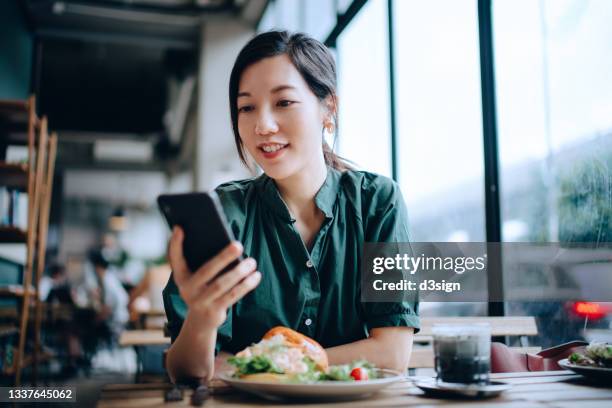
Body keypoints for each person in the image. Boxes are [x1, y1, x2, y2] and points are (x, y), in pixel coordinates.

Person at [163, 30, 419, 383]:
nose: (262, 126)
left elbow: (391, 355)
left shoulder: (378, 202)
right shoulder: (227, 213)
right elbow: (187, 373)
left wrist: (258, 366)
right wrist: (202, 321)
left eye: (283, 102)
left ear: (328, 108)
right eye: (246, 107)